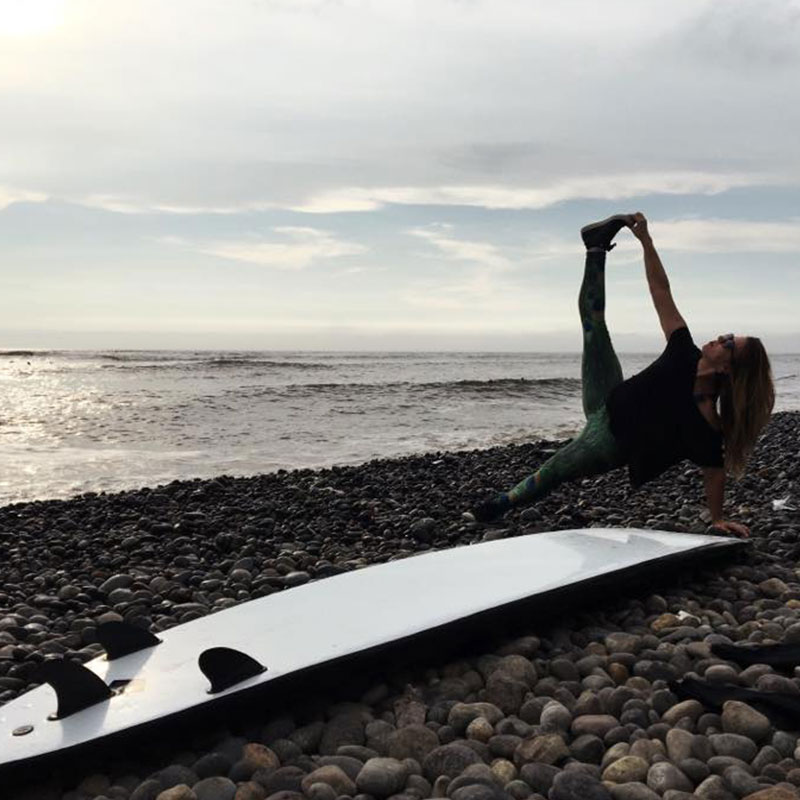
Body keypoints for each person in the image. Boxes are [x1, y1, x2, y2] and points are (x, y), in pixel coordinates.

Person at [472, 213, 775, 538]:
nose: (721, 337)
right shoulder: (683, 350)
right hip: (608, 396)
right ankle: (596, 247)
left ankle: (497, 506)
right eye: (729, 334)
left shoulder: (705, 420)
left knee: (555, 469)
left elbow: (713, 470)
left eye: (729, 343)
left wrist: (717, 519)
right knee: (594, 326)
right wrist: (646, 240)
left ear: (728, 368)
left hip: (608, 441)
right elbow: (660, 289)